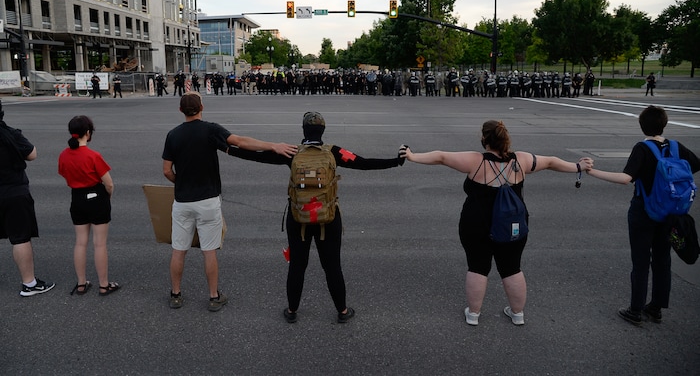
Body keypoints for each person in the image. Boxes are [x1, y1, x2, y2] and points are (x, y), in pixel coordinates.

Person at [402, 120, 593, 326]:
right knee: (512, 267)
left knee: (477, 266)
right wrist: (577, 166)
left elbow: (440, 157)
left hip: (476, 223)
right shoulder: (522, 160)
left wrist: (412, 156)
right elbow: (551, 162)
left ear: (484, 140)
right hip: (512, 223)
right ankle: (517, 313)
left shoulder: (475, 161)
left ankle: (474, 314)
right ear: (506, 139)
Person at [227, 111, 405, 323]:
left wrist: (228, 149)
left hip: (298, 218)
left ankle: (292, 311)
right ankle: (343, 311)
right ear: (323, 130)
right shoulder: (335, 152)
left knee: (297, 265)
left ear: (303, 130)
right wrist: (396, 161)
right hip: (328, 218)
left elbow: (256, 156)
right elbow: (363, 162)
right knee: (332, 266)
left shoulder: (292, 152)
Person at [162, 92, 297, 311]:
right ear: (201, 107)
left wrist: (180, 182)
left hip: (183, 201)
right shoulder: (210, 130)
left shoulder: (173, 135)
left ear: (180, 111)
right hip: (208, 200)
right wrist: (273, 145)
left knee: (179, 249)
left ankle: (175, 294)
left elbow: (167, 171)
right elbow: (241, 142)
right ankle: (213, 296)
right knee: (209, 251)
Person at [585, 105, 700, 325]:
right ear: (664, 124)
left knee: (640, 261)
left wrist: (593, 172)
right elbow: (694, 165)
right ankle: (656, 307)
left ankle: (635, 309)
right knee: (662, 259)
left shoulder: (643, 148)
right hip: (670, 212)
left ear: (641, 126)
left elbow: (626, 178)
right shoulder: (676, 147)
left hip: (644, 211)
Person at [58, 116, 120, 297]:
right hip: (96, 197)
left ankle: (81, 283)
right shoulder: (93, 155)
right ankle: (104, 284)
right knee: (99, 244)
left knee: (80, 242)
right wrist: (107, 197)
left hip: (77, 198)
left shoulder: (64, 154)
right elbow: (109, 184)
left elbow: (64, 174)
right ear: (88, 133)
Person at [0, 100, 55, 297]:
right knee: (20, 239)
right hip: (13, 192)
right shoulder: (11, 134)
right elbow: (32, 154)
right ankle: (29, 283)